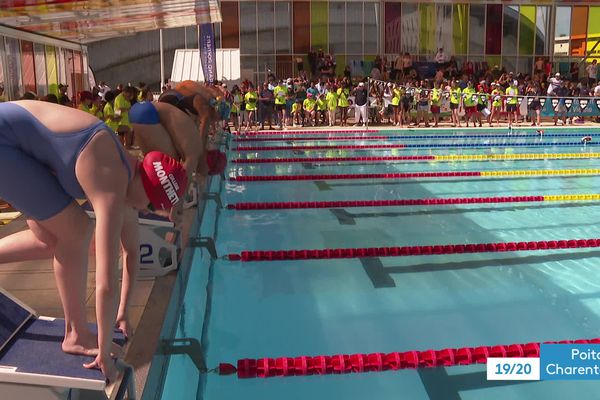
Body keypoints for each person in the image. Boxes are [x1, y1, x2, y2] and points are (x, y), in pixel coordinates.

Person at [0, 100, 187, 382]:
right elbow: (105, 282)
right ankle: (76, 335)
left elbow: (132, 253)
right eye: (150, 206)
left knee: (51, 238)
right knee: (76, 230)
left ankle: (77, 332)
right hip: (5, 143)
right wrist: (102, 352)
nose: (145, 212)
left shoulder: (130, 173)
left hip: (15, 144)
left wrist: (123, 313)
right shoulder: (110, 176)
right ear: (146, 187)